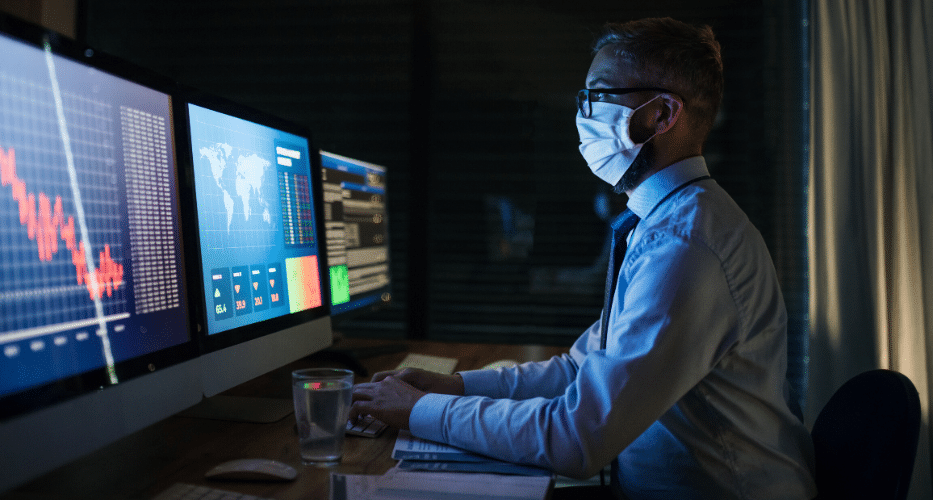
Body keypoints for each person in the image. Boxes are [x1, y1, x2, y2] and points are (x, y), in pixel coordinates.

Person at [350, 17, 816, 499]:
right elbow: (579, 369)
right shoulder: (666, 222)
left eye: (596, 97)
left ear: (661, 115)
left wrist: (417, 411)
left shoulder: (686, 245)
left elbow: (577, 437)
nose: (582, 115)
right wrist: (454, 388)